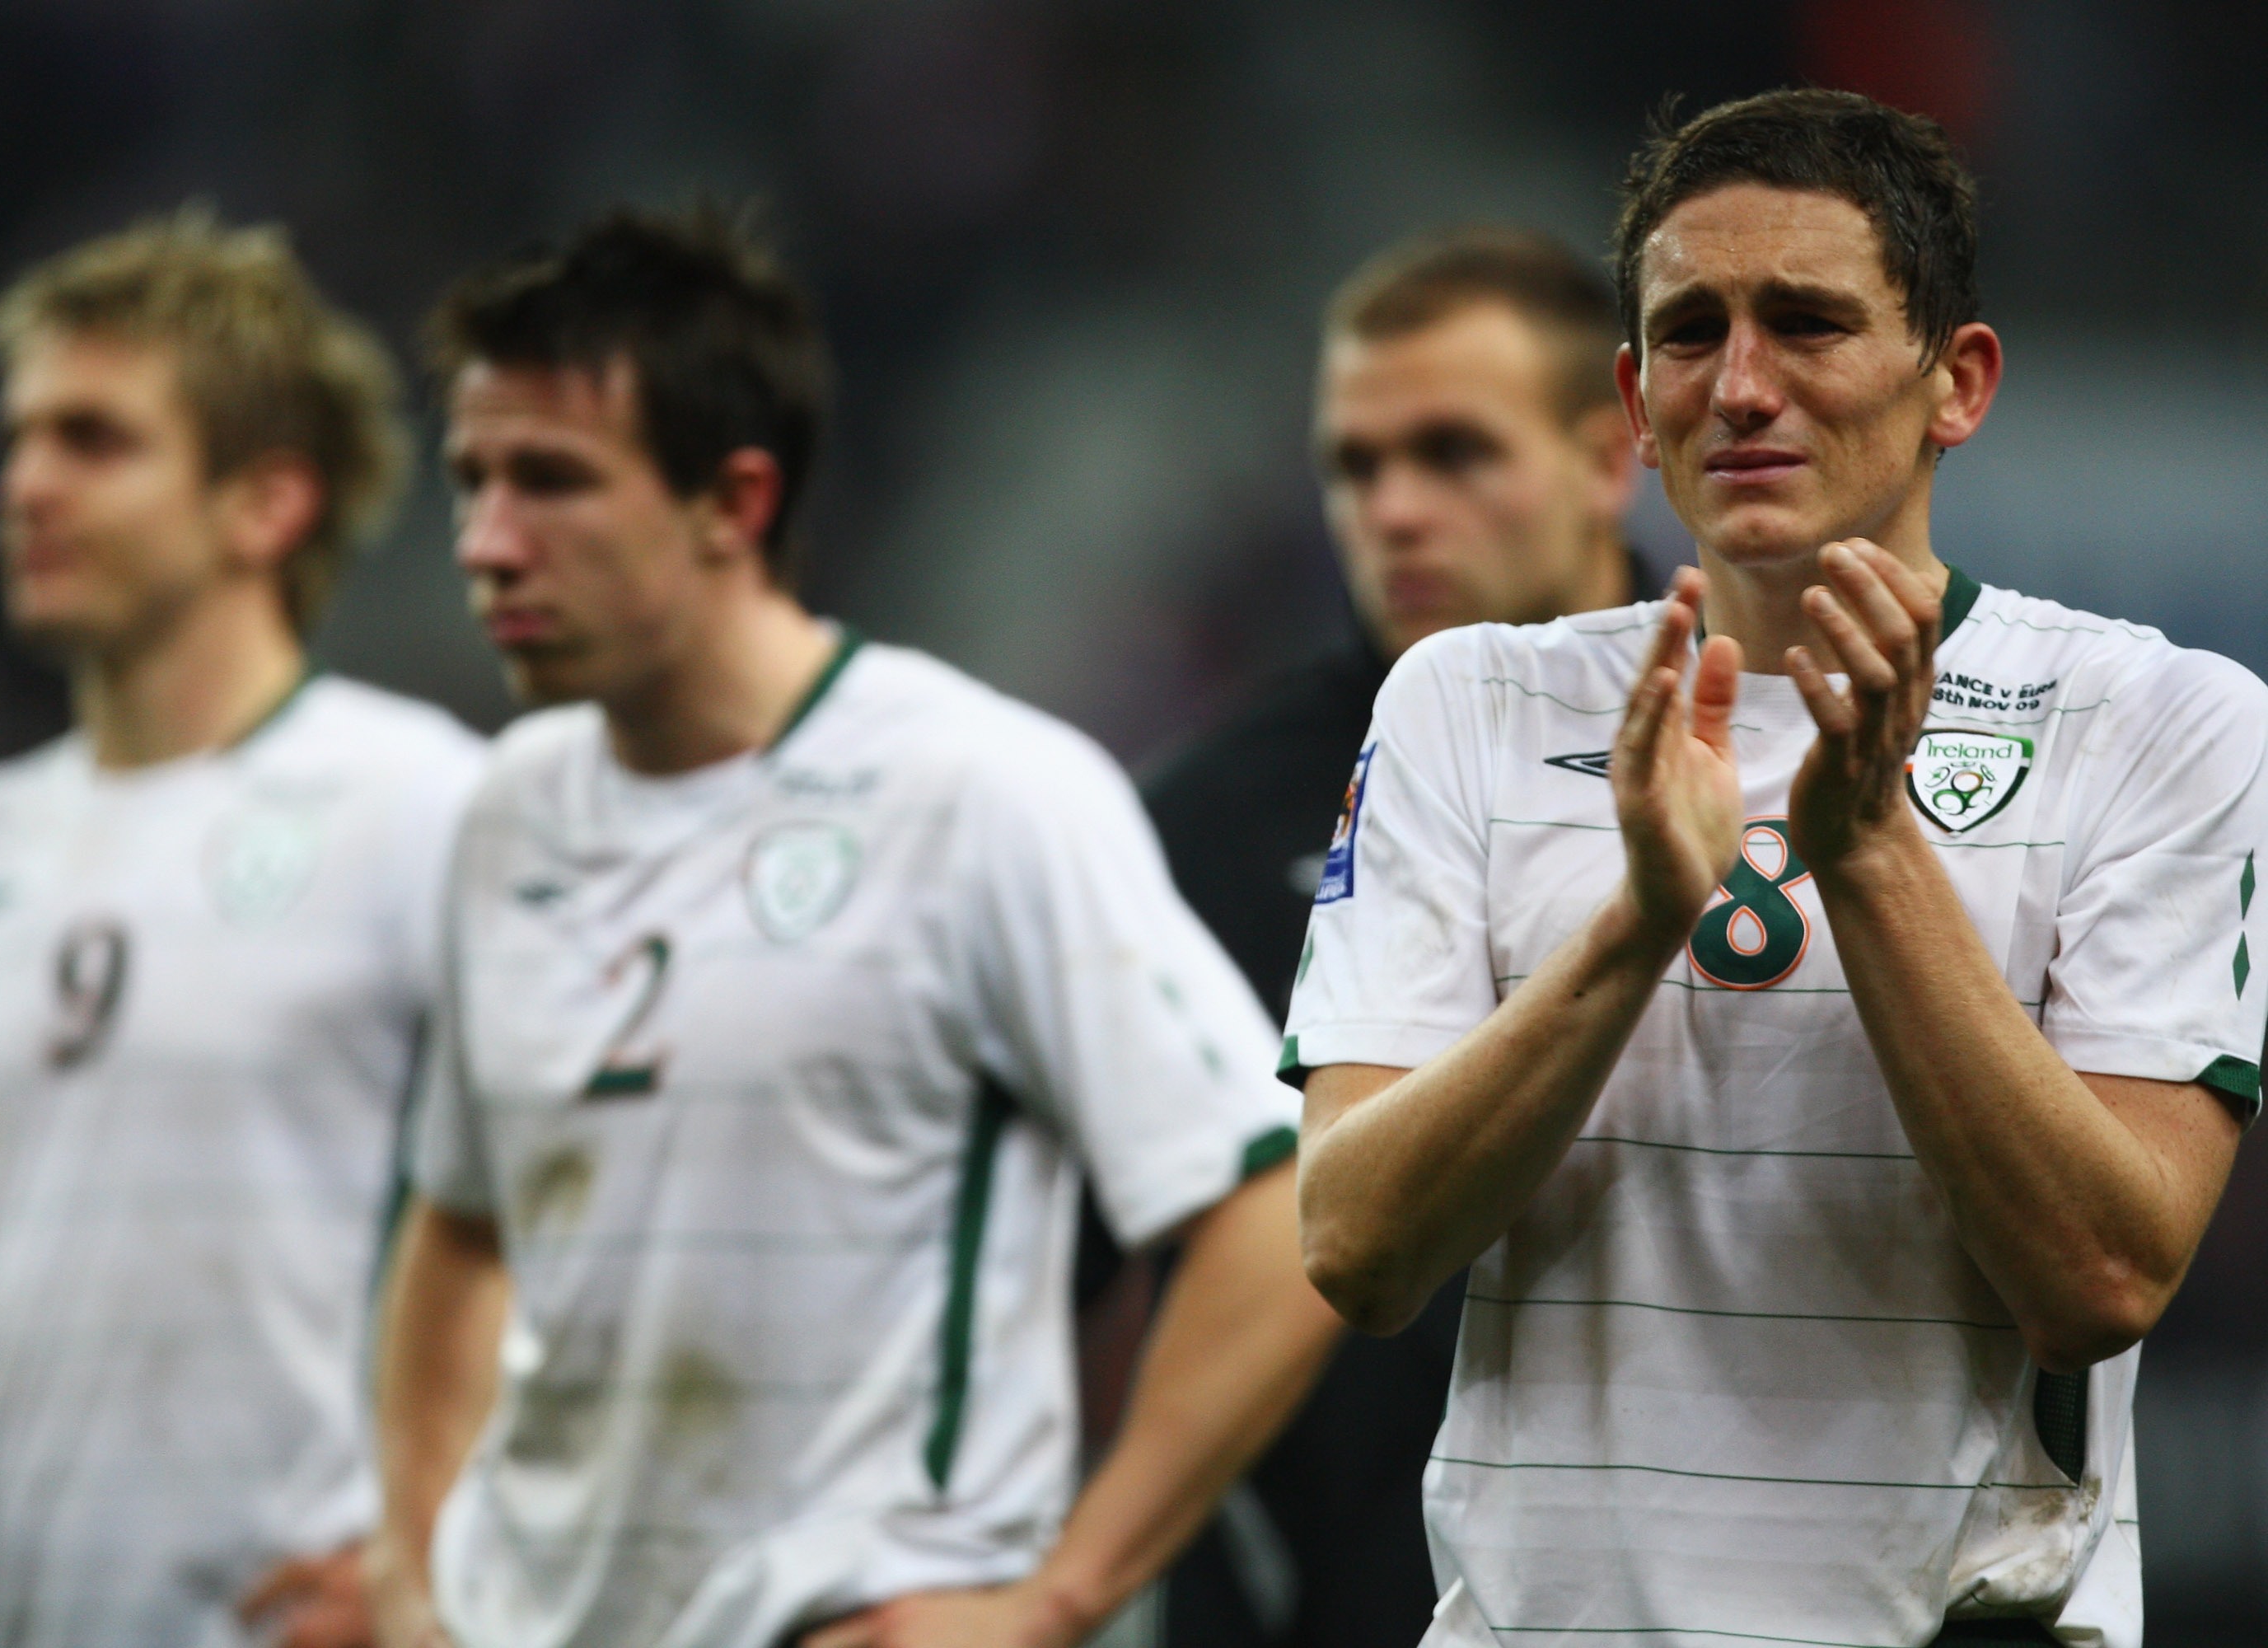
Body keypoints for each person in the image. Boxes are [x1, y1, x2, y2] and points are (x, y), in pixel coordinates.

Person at [1287, 87, 2265, 1648]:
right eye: (1691, 333)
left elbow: (2099, 1274)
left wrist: (1867, 849)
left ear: (1960, 382)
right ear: (1631, 394)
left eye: (1806, 323)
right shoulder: (1467, 703)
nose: (1741, 385)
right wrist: (1634, 932)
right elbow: (1355, 1247)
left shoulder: (2160, 720)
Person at [364, 204, 1343, 1648]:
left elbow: (1275, 1213)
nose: (487, 543)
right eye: (471, 480)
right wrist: (410, 1569)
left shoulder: (980, 793)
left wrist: (1055, 1598)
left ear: (733, 502)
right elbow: (456, 1226)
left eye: (552, 482)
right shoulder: (507, 812)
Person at [0, 210, 484, 1648]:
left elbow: (604, 1215)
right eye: (21, 439)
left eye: (95, 441)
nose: (25, 486)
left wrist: (445, 1539)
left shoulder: (427, 807)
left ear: (265, 506)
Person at [1140, 227, 1655, 1648]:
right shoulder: (1211, 821)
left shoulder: (1797, 746)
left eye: (1452, 453)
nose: (1395, 510)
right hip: (1322, 1597)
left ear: (1612, 453)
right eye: (1355, 467)